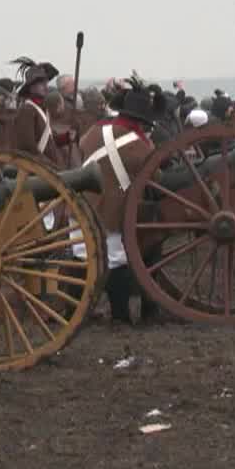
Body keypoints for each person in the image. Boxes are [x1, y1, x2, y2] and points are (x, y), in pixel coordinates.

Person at [79, 77, 165, 324]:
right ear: (141, 120)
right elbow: (156, 178)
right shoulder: (139, 146)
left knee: (82, 256)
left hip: (83, 205)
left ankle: (75, 311)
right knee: (115, 261)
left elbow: (82, 148)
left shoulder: (95, 130)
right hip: (112, 211)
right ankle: (120, 316)